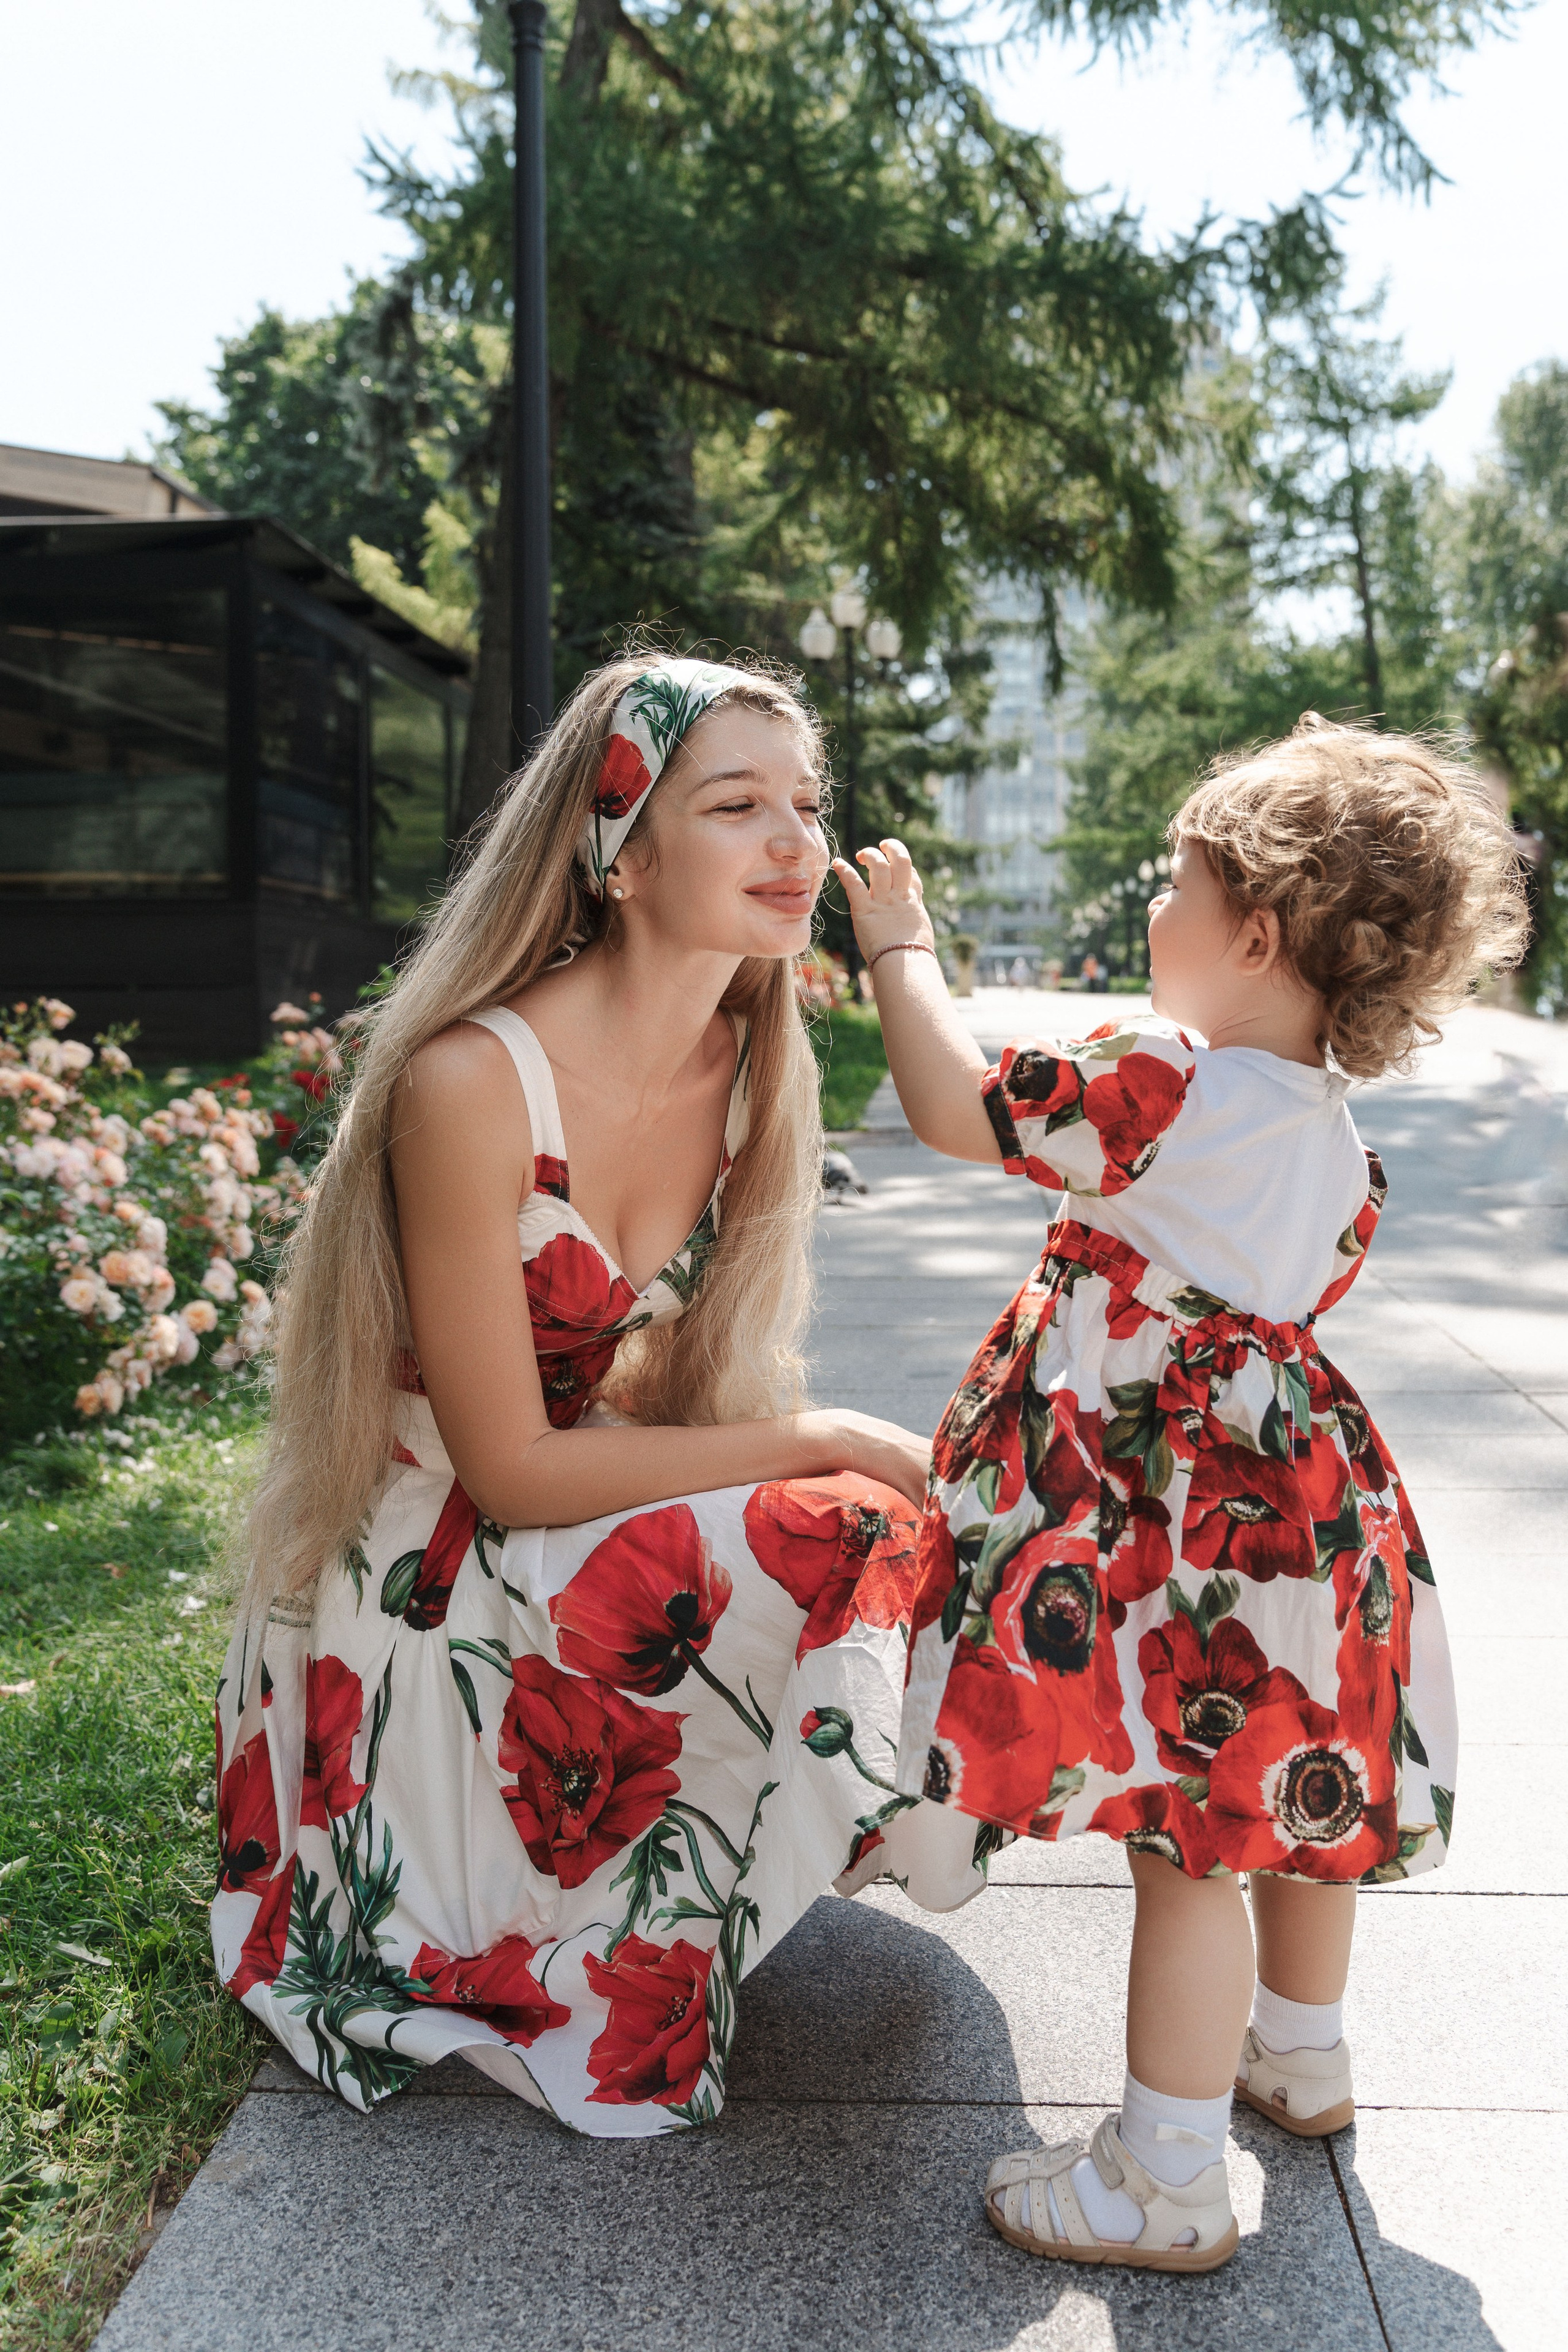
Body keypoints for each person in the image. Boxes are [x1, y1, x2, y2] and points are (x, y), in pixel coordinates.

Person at [211, 651, 984, 2137]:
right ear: (618, 856)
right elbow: (501, 1468)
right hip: (426, 1568)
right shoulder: (471, 1081)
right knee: (852, 1519)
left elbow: (667, 1395)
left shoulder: (749, 1063)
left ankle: (849, 1815)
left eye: (805, 808)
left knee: (959, 1511)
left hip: (566, 1502)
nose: (794, 844)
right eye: (737, 804)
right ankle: (812, 1825)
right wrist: (817, 1436)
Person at [832, 716, 1526, 2270]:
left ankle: (1163, 2178)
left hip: (1177, 1545)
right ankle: (1302, 2052)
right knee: (1286, 1800)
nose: (1153, 912)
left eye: (1174, 882)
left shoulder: (1160, 1086)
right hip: (1310, 1522)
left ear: (1254, 930)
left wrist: (899, 949)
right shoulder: (1338, 1151)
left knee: (1186, 1842)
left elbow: (955, 1105)